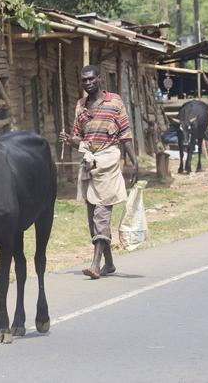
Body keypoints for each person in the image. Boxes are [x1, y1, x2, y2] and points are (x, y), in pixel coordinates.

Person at [59, 64, 138, 280]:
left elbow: (125, 133)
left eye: (91, 79)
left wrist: (134, 162)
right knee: (93, 216)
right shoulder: (80, 106)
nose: (87, 83)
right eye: (84, 80)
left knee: (102, 213)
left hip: (109, 160)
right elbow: (79, 138)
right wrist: (71, 141)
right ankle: (109, 263)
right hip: (89, 162)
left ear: (99, 79)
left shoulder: (114, 102)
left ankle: (95, 264)